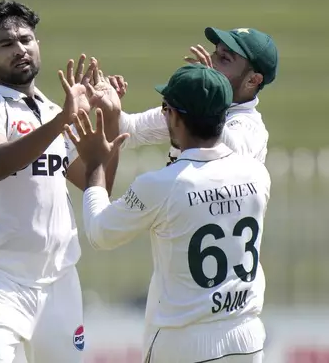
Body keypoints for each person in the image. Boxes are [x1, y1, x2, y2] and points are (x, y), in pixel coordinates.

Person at [67, 63, 271, 362]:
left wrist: (96, 165)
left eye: (166, 108)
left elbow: (100, 233)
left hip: (184, 343)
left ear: (173, 117)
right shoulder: (257, 173)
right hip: (247, 338)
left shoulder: (161, 185)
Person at [0, 0, 118, 363]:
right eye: (6, 44)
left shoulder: (49, 109)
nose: (20, 50)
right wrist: (62, 121)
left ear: (38, 45)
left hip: (59, 280)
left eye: (26, 40)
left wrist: (110, 119)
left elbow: (98, 184)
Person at [111, 27, 278, 165]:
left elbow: (234, 158)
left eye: (225, 59)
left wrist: (211, 90)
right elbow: (129, 131)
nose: (211, 62)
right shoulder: (194, 107)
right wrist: (109, 104)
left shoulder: (251, 128)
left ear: (253, 80)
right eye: (215, 52)